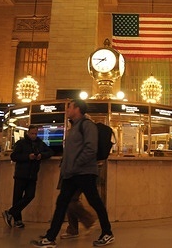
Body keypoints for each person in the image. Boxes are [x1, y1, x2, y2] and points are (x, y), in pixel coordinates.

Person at [31, 99, 114, 247]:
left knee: (95, 202)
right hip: (72, 173)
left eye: (69, 107)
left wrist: (75, 165)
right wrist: (66, 166)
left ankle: (107, 233)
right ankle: (50, 238)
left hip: (84, 172)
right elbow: (71, 151)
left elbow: (90, 149)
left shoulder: (87, 125)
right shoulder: (74, 128)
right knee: (62, 203)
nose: (67, 109)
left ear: (77, 109)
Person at [2, 125, 53, 228]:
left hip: (32, 175)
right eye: (32, 133)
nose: (34, 135)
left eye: (35, 133)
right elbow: (14, 156)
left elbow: (50, 152)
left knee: (30, 195)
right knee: (17, 197)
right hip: (21, 174)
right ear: (28, 133)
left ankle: (10, 212)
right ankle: (17, 220)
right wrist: (27, 157)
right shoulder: (21, 143)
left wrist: (41, 156)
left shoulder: (40, 143)